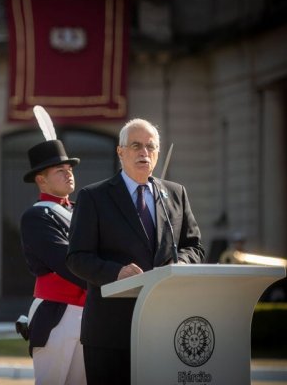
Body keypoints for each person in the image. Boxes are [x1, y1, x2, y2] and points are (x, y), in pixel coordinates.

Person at [66, 118, 204, 385]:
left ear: (158, 153)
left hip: (165, 326)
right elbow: (77, 258)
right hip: (111, 332)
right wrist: (117, 272)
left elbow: (194, 246)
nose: (144, 153)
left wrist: (180, 264)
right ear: (120, 152)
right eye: (136, 146)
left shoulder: (176, 194)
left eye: (151, 147)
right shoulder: (94, 197)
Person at [19, 139, 87, 385]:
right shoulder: (36, 216)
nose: (68, 174)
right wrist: (108, 277)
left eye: (69, 169)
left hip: (89, 312)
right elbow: (66, 261)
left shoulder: (82, 210)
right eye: (60, 170)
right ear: (41, 179)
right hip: (57, 314)